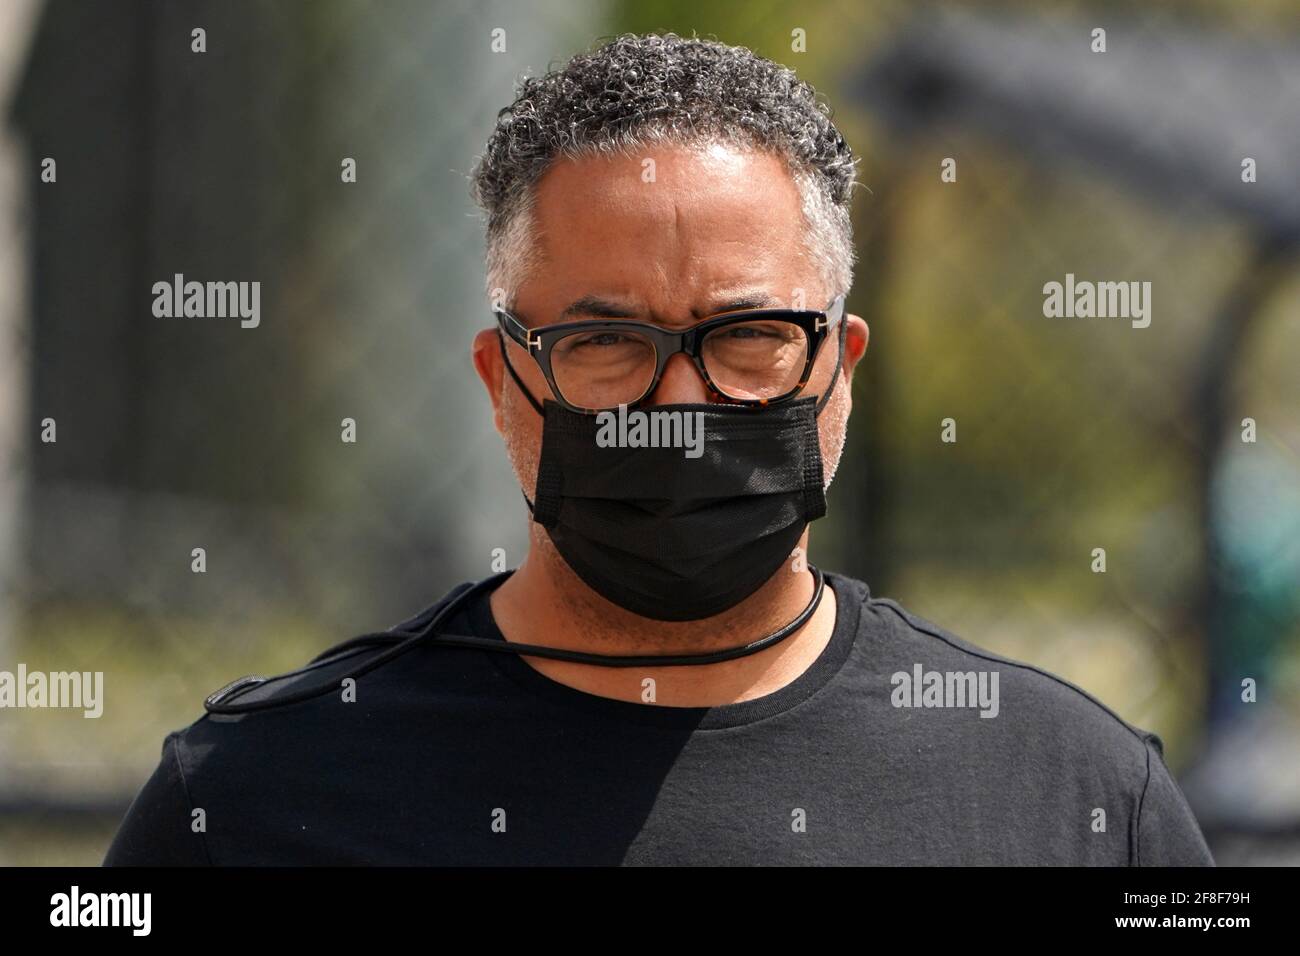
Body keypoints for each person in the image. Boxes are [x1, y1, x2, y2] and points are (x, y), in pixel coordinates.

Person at [104, 32, 1213, 866]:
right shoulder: (254, 802)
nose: (679, 403)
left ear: (841, 368)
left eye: (748, 336)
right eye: (604, 341)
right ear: (501, 382)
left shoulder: (1077, 801)